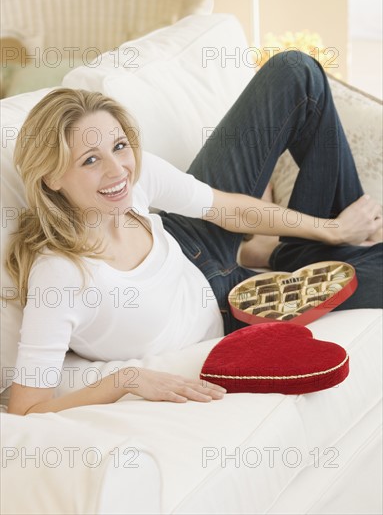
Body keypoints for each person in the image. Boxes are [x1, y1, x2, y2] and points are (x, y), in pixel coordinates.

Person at [6, 51, 382, 416]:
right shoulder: (61, 274)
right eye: (90, 160)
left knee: (296, 72)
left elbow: (226, 208)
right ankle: (290, 255)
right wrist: (126, 379)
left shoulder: (131, 178)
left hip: (191, 243)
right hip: (230, 308)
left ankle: (312, 245)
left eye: (119, 146)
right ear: (52, 177)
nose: (117, 169)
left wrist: (332, 229)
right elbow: (27, 406)